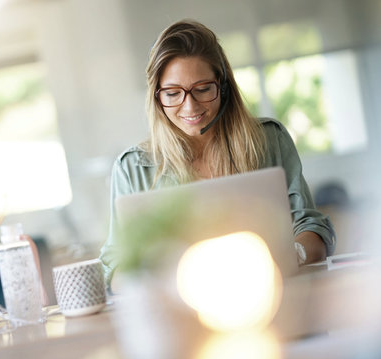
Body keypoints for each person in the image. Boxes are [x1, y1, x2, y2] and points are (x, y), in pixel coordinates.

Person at [99, 19, 335, 288]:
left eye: (202, 90)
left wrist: (292, 255)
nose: (189, 106)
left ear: (222, 86)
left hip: (274, 297)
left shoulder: (270, 140)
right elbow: (115, 266)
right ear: (156, 96)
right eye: (173, 93)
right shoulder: (133, 168)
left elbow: (312, 228)